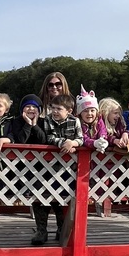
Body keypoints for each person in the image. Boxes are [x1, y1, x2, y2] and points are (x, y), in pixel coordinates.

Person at [32, 93, 82, 246]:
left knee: (62, 199)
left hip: (67, 169)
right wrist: (65, 143)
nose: (54, 111)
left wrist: (73, 143)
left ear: (69, 110)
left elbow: (81, 138)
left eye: (59, 109)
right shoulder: (47, 120)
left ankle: (61, 229)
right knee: (41, 197)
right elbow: (49, 138)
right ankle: (42, 230)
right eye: (52, 108)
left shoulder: (75, 121)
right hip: (47, 167)